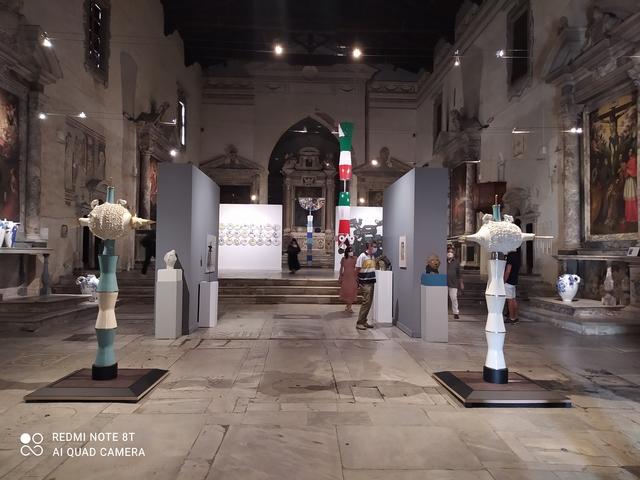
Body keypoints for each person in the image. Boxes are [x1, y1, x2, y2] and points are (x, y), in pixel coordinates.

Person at [355, 242, 377, 330]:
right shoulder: (362, 256)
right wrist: (357, 280)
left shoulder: (372, 257)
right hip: (365, 282)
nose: (375, 248)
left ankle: (364, 321)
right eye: (374, 246)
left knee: (369, 302)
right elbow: (357, 269)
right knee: (366, 301)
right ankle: (359, 322)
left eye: (376, 246)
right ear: (369, 247)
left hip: (371, 281)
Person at [504, 247, 521, 324]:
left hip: (509, 281)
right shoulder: (517, 256)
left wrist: (504, 280)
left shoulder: (510, 256)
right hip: (514, 280)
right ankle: (516, 317)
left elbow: (508, 271)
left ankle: (511, 318)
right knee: (513, 299)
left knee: (509, 300)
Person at [446, 245, 464, 319]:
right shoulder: (443, 261)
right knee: (443, 299)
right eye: (448, 252)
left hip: (453, 283)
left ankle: (456, 313)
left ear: (454, 253)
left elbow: (459, 273)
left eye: (451, 252)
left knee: (454, 298)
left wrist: (461, 283)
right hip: (444, 283)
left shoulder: (456, 262)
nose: (450, 253)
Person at [339, 246, 358, 313]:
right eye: (350, 251)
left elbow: (358, 267)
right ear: (347, 252)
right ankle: (348, 306)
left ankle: (349, 307)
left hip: (353, 276)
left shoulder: (355, 258)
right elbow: (341, 268)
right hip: (346, 277)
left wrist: (357, 276)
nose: (351, 252)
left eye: (352, 251)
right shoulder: (343, 259)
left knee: (352, 291)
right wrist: (340, 276)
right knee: (347, 291)